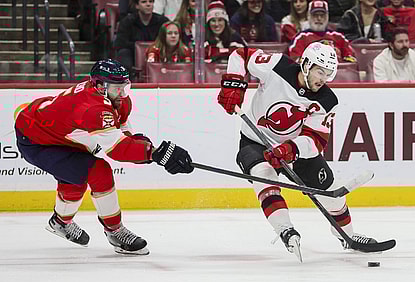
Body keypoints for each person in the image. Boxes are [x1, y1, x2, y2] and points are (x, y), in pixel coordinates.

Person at [14, 59, 194, 255]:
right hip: (36, 140)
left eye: (125, 87)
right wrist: (155, 153)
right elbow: (117, 149)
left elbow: (123, 135)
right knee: (98, 171)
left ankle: (60, 222)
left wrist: (152, 150)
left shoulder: (116, 98)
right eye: (117, 88)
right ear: (100, 86)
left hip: (55, 132)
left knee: (76, 176)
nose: (122, 94)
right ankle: (115, 232)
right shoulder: (94, 108)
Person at [217, 42, 377, 261]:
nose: (324, 79)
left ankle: (347, 236)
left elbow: (316, 140)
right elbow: (241, 54)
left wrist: (289, 149)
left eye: (329, 74)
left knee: (331, 193)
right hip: (255, 141)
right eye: (320, 71)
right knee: (263, 176)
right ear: (306, 64)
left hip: (294, 149)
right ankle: (285, 230)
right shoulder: (277, 66)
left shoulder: (327, 101)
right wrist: (234, 85)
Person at [289, 1, 357, 62]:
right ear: (308, 16)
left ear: (327, 17)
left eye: (322, 15)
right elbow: (295, 61)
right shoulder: (300, 38)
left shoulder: (339, 37)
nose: (319, 18)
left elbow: (351, 59)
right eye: (315, 15)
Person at [114, 0, 169, 73]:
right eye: (144, 2)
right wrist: (139, 48)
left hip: (158, 54)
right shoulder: (127, 22)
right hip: (133, 55)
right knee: (123, 53)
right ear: (137, 6)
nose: (148, 4)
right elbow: (120, 44)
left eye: (151, 1)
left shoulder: (162, 21)